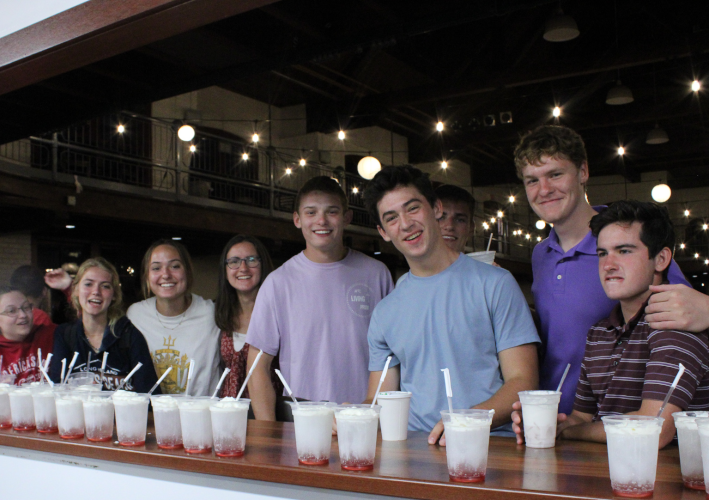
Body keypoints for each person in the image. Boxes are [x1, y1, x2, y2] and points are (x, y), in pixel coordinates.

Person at [514, 125, 690, 414]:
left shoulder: (624, 240)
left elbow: (688, 312)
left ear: (583, 172)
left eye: (555, 174)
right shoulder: (540, 254)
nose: (543, 190)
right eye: (532, 180)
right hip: (557, 418)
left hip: (622, 421)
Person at [362, 166, 540, 445]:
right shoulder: (385, 312)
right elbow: (379, 399)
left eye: (412, 208)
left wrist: (469, 420)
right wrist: (349, 417)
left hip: (489, 445)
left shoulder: (495, 284)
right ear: (383, 232)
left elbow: (523, 381)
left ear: (435, 208)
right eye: (392, 218)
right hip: (415, 450)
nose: (406, 224)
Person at [512, 200, 709, 449]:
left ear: (660, 259)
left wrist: (571, 433)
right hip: (607, 475)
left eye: (624, 251)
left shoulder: (674, 325)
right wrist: (549, 424)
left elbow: (655, 428)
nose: (608, 264)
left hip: (667, 479)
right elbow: (582, 417)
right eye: (602, 253)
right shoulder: (598, 333)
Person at [246, 176, 394, 421]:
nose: (321, 221)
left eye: (332, 212)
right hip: (303, 424)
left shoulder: (376, 274)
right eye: (311, 212)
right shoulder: (278, 283)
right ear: (297, 219)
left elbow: (393, 356)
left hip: (366, 419)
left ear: (347, 218)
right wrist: (268, 433)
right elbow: (257, 367)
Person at [48, 258, 159, 393]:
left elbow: (150, 394)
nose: (96, 291)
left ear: (113, 295)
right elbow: (57, 390)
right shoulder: (65, 335)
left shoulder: (129, 336)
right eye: (88, 284)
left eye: (105, 286)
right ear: (76, 290)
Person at [127, 240, 221, 395]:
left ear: (188, 271)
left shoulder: (212, 313)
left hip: (201, 415)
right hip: (151, 416)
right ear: (146, 277)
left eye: (175, 266)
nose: (166, 274)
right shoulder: (135, 315)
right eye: (156, 268)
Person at [215, 235, 281, 400]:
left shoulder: (280, 312)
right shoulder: (219, 313)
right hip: (228, 412)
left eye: (251, 260)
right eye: (234, 261)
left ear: (262, 265)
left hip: (271, 410)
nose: (243, 268)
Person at [396, 184, 476, 286]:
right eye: (442, 217)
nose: (450, 226)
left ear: (471, 228)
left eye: (460, 220)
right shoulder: (405, 284)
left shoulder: (487, 279)